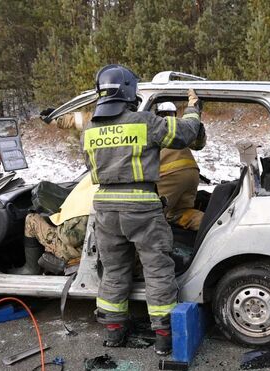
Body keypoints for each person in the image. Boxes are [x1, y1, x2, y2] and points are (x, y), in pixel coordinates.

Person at [83, 64, 203, 355]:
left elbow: (91, 168)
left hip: (105, 209)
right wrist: (194, 110)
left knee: (113, 271)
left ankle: (113, 332)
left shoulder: (89, 131)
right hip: (141, 207)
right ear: (129, 92)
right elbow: (185, 134)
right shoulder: (145, 122)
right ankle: (163, 337)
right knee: (157, 270)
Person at [10, 173, 97, 275]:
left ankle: (31, 269)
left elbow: (70, 238)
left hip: (82, 252)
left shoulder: (92, 186)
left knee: (32, 219)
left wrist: (55, 222)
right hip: (98, 246)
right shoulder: (103, 186)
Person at [156, 102, 207, 231]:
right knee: (178, 212)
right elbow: (198, 144)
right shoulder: (180, 127)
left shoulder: (155, 127)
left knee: (151, 214)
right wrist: (197, 125)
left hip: (170, 175)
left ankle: (152, 249)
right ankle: (212, 227)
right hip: (191, 173)